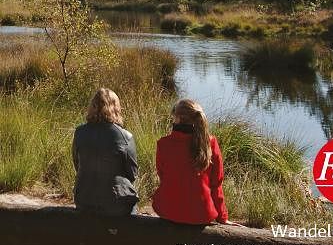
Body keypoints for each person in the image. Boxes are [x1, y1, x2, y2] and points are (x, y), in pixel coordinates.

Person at [152, 98, 228, 225]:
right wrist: (222, 217)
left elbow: (163, 176)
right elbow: (216, 184)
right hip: (201, 214)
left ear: (177, 118)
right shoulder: (211, 143)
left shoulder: (163, 144)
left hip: (168, 211)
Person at [72, 87, 138, 217]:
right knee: (133, 204)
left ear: (92, 107)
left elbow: (77, 164)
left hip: (83, 200)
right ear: (116, 108)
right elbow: (133, 174)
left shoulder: (79, 132)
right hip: (116, 203)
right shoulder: (125, 136)